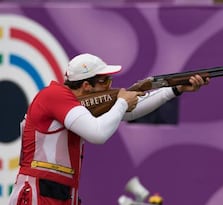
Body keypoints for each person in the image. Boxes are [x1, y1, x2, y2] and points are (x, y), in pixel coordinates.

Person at [8, 53, 208, 205]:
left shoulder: (71, 104)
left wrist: (175, 89)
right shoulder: (53, 96)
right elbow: (98, 134)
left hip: (60, 194)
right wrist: (121, 102)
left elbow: (130, 112)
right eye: (104, 81)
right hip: (38, 194)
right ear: (86, 85)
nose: (110, 85)